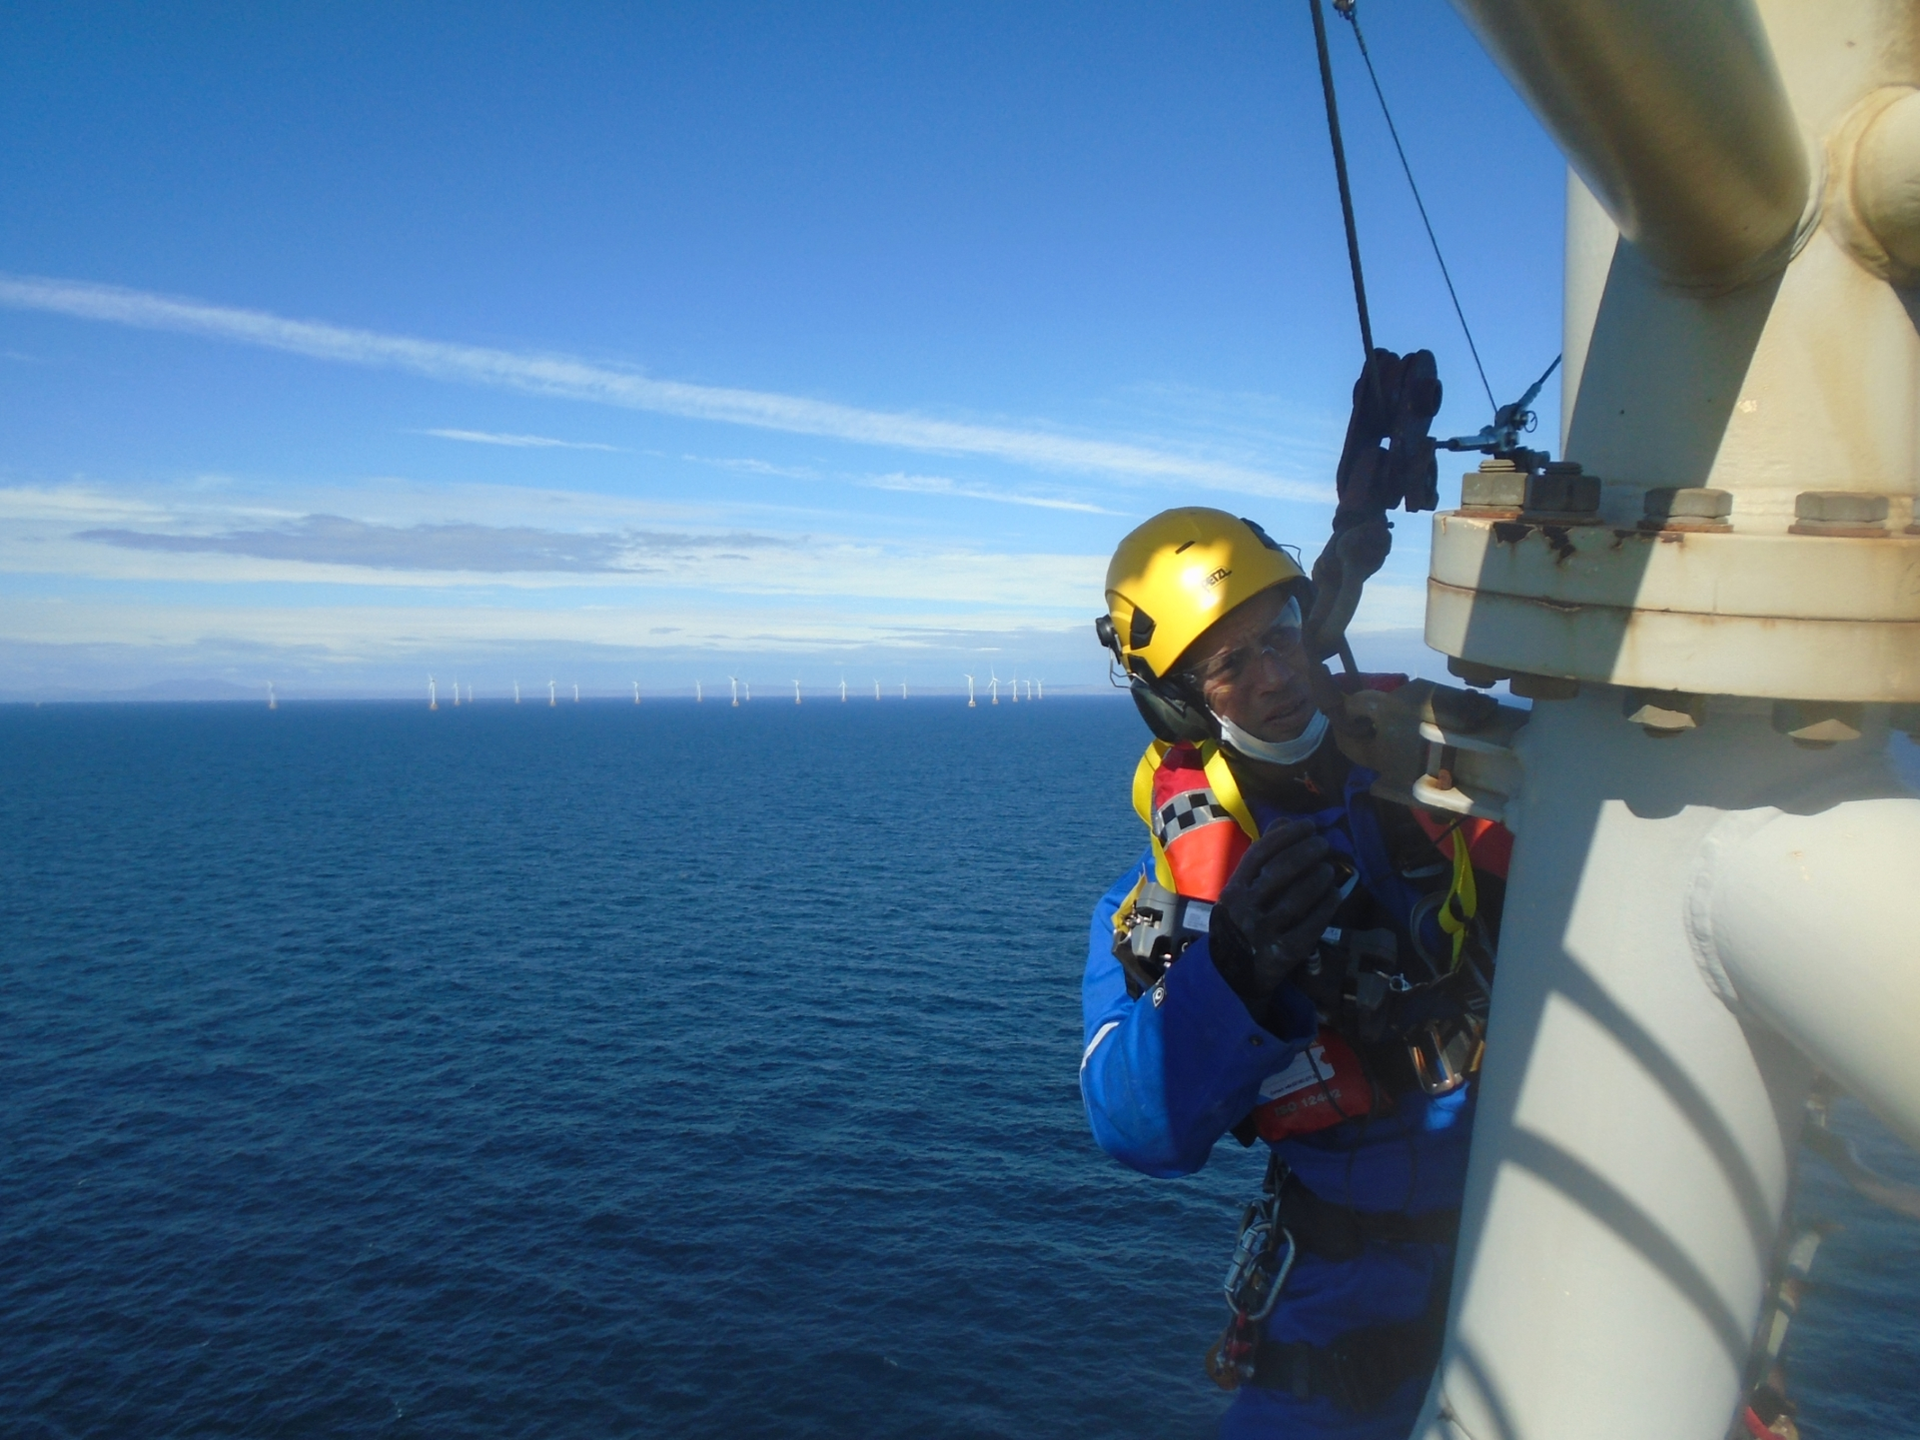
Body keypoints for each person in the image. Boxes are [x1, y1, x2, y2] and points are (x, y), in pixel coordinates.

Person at [1080, 506, 1511, 1440]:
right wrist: (1228, 972)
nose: (1275, 678)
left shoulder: (1441, 791)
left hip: (1536, 1216)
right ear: (1176, 702)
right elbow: (1132, 1124)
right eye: (1228, 665)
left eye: (1279, 638)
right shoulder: (1167, 902)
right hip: (1352, 1291)